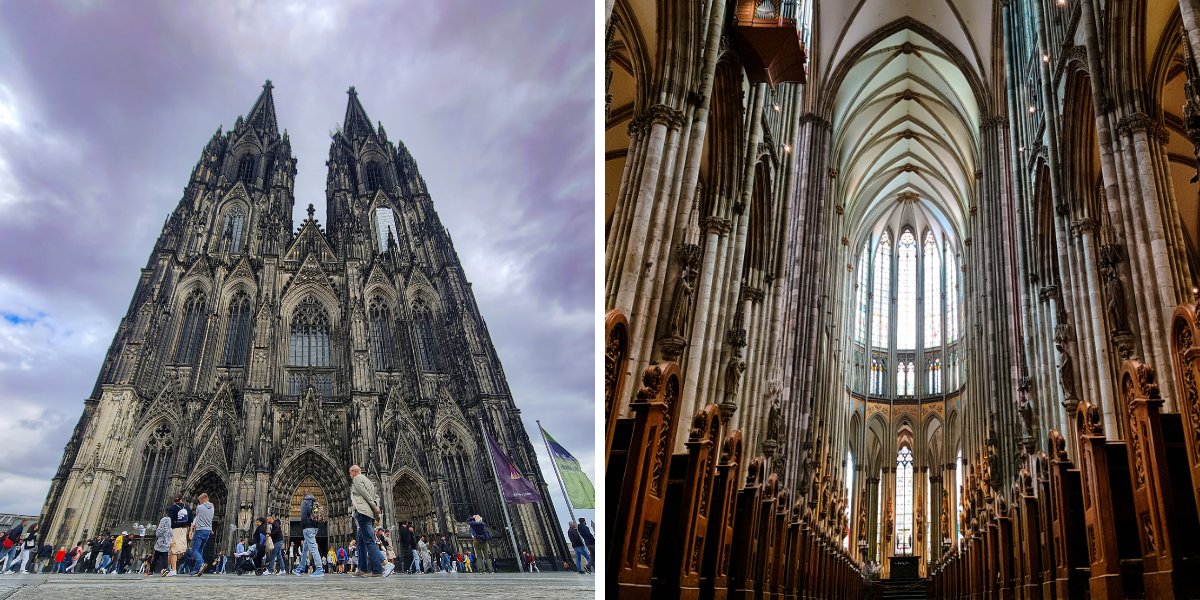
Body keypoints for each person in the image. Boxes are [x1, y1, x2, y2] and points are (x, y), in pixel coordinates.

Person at [347, 464, 383, 576]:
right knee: (361, 542)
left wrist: (374, 508)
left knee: (369, 541)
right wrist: (375, 506)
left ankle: (377, 569)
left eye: (350, 473)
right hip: (368, 514)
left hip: (363, 513)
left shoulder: (357, 479)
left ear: (354, 472)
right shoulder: (368, 481)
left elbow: (366, 495)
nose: (350, 475)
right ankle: (363, 569)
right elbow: (376, 496)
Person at [293, 492, 325, 577]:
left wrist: (303, 526)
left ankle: (319, 569)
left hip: (308, 528)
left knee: (313, 549)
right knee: (305, 550)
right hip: (315, 527)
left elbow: (303, 516)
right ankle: (301, 568)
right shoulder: (315, 502)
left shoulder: (305, 502)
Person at [188, 493, 214, 576]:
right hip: (207, 532)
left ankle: (201, 563)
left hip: (199, 530)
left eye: (200, 501)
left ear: (203, 499)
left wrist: (191, 530)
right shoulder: (212, 508)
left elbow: (197, 517)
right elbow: (210, 519)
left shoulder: (199, 507)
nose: (199, 502)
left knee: (194, 550)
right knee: (200, 550)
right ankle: (196, 569)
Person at [166, 494, 192, 576]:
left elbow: (169, 520)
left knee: (173, 549)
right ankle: (169, 568)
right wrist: (191, 530)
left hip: (175, 529)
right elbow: (190, 520)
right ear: (181, 499)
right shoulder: (187, 507)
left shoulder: (171, 508)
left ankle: (173, 570)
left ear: (174, 500)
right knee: (180, 548)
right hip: (185, 529)